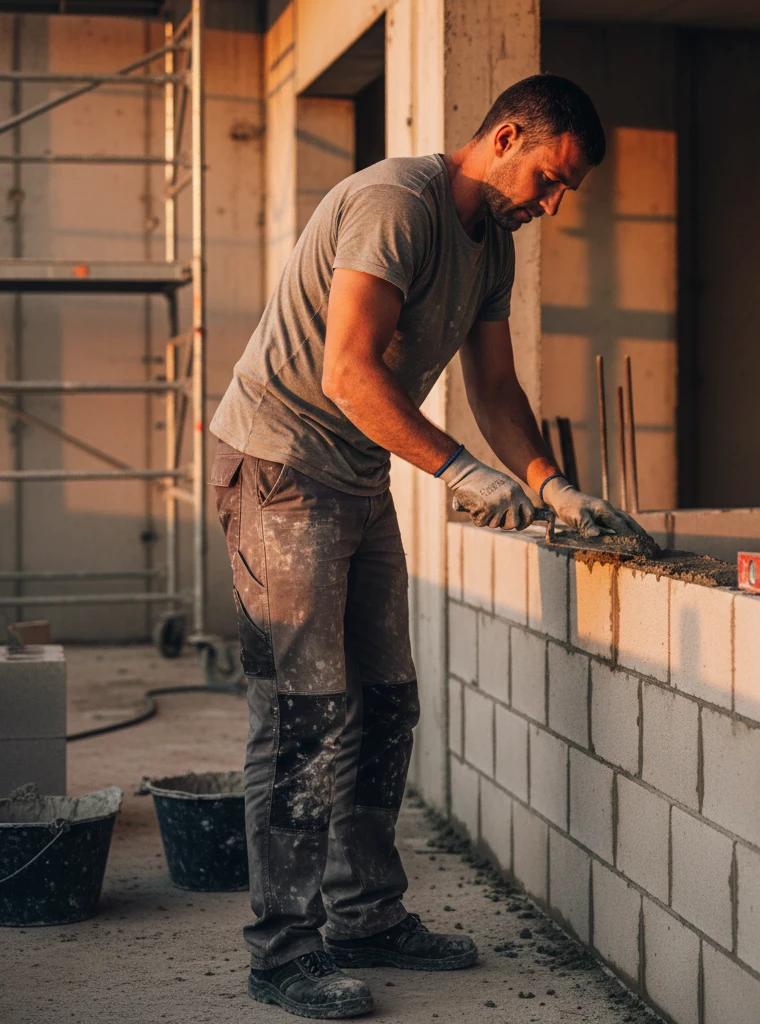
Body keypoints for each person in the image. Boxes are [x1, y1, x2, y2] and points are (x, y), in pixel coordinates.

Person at [208, 73, 643, 1019]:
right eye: (550, 178)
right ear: (507, 136)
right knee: (304, 716)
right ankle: (283, 952)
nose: (552, 204)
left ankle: (365, 917)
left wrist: (549, 483)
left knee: (386, 703)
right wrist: (458, 471)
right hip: (280, 468)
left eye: (566, 191)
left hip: (356, 476)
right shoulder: (396, 204)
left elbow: (495, 388)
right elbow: (347, 371)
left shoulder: (494, 245)